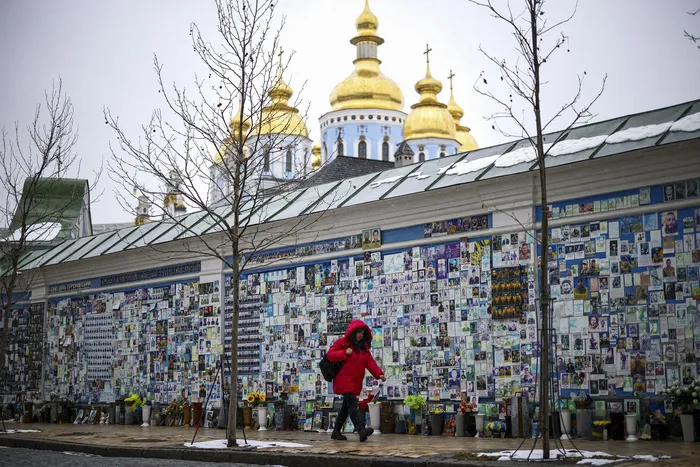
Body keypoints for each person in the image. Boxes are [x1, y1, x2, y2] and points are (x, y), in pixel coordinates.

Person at [326, 320, 385, 441]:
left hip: (355, 382)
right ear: (352, 332)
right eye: (358, 332)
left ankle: (336, 431)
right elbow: (330, 355)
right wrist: (344, 353)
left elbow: (370, 363)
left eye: (362, 333)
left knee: (346, 407)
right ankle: (361, 430)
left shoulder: (364, 348)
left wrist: (379, 374)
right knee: (353, 404)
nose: (360, 335)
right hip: (344, 380)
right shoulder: (343, 342)